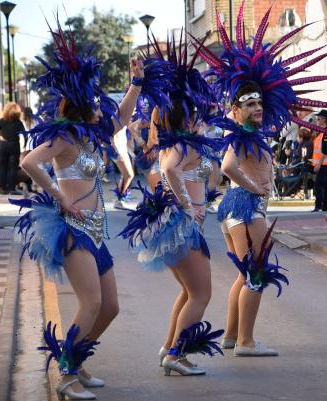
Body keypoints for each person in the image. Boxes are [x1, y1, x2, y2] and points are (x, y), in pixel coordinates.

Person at [9, 19, 164, 400]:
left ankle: (74, 360)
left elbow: (124, 117)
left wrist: (136, 82)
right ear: (80, 108)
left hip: (97, 229)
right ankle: (64, 375)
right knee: (91, 303)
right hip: (73, 229)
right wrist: (60, 197)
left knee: (109, 307)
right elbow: (28, 162)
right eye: (94, 104)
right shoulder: (62, 138)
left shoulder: (94, 134)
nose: (101, 108)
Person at [198, 3, 327, 356]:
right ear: (235, 110)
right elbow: (229, 165)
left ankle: (232, 336)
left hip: (236, 207)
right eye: (249, 104)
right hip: (246, 207)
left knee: (244, 275)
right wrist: (254, 187)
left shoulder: (252, 132)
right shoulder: (242, 134)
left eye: (259, 103)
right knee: (256, 274)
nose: (257, 108)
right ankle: (245, 342)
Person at [120, 37, 225, 375]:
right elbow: (167, 172)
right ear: (187, 117)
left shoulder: (173, 143)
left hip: (174, 224)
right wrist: (187, 204)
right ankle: (177, 354)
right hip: (182, 225)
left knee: (187, 291)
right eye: (196, 112)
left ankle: (170, 347)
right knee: (201, 294)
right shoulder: (184, 145)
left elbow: (181, 173)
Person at [0, 102, 25, 194]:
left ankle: (3, 188)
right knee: (13, 167)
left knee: (3, 167)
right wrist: (25, 144)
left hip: (3, 145)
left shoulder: (2, 121)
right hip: (14, 145)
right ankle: (11, 188)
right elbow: (25, 135)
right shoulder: (18, 122)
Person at [311, 109, 327, 212]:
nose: (317, 120)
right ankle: (325, 207)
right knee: (323, 184)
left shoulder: (326, 133)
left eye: (319, 118)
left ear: (325, 120)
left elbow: (325, 151)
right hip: (321, 163)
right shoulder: (321, 133)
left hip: (324, 164)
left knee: (320, 184)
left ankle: (320, 206)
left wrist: (318, 164)